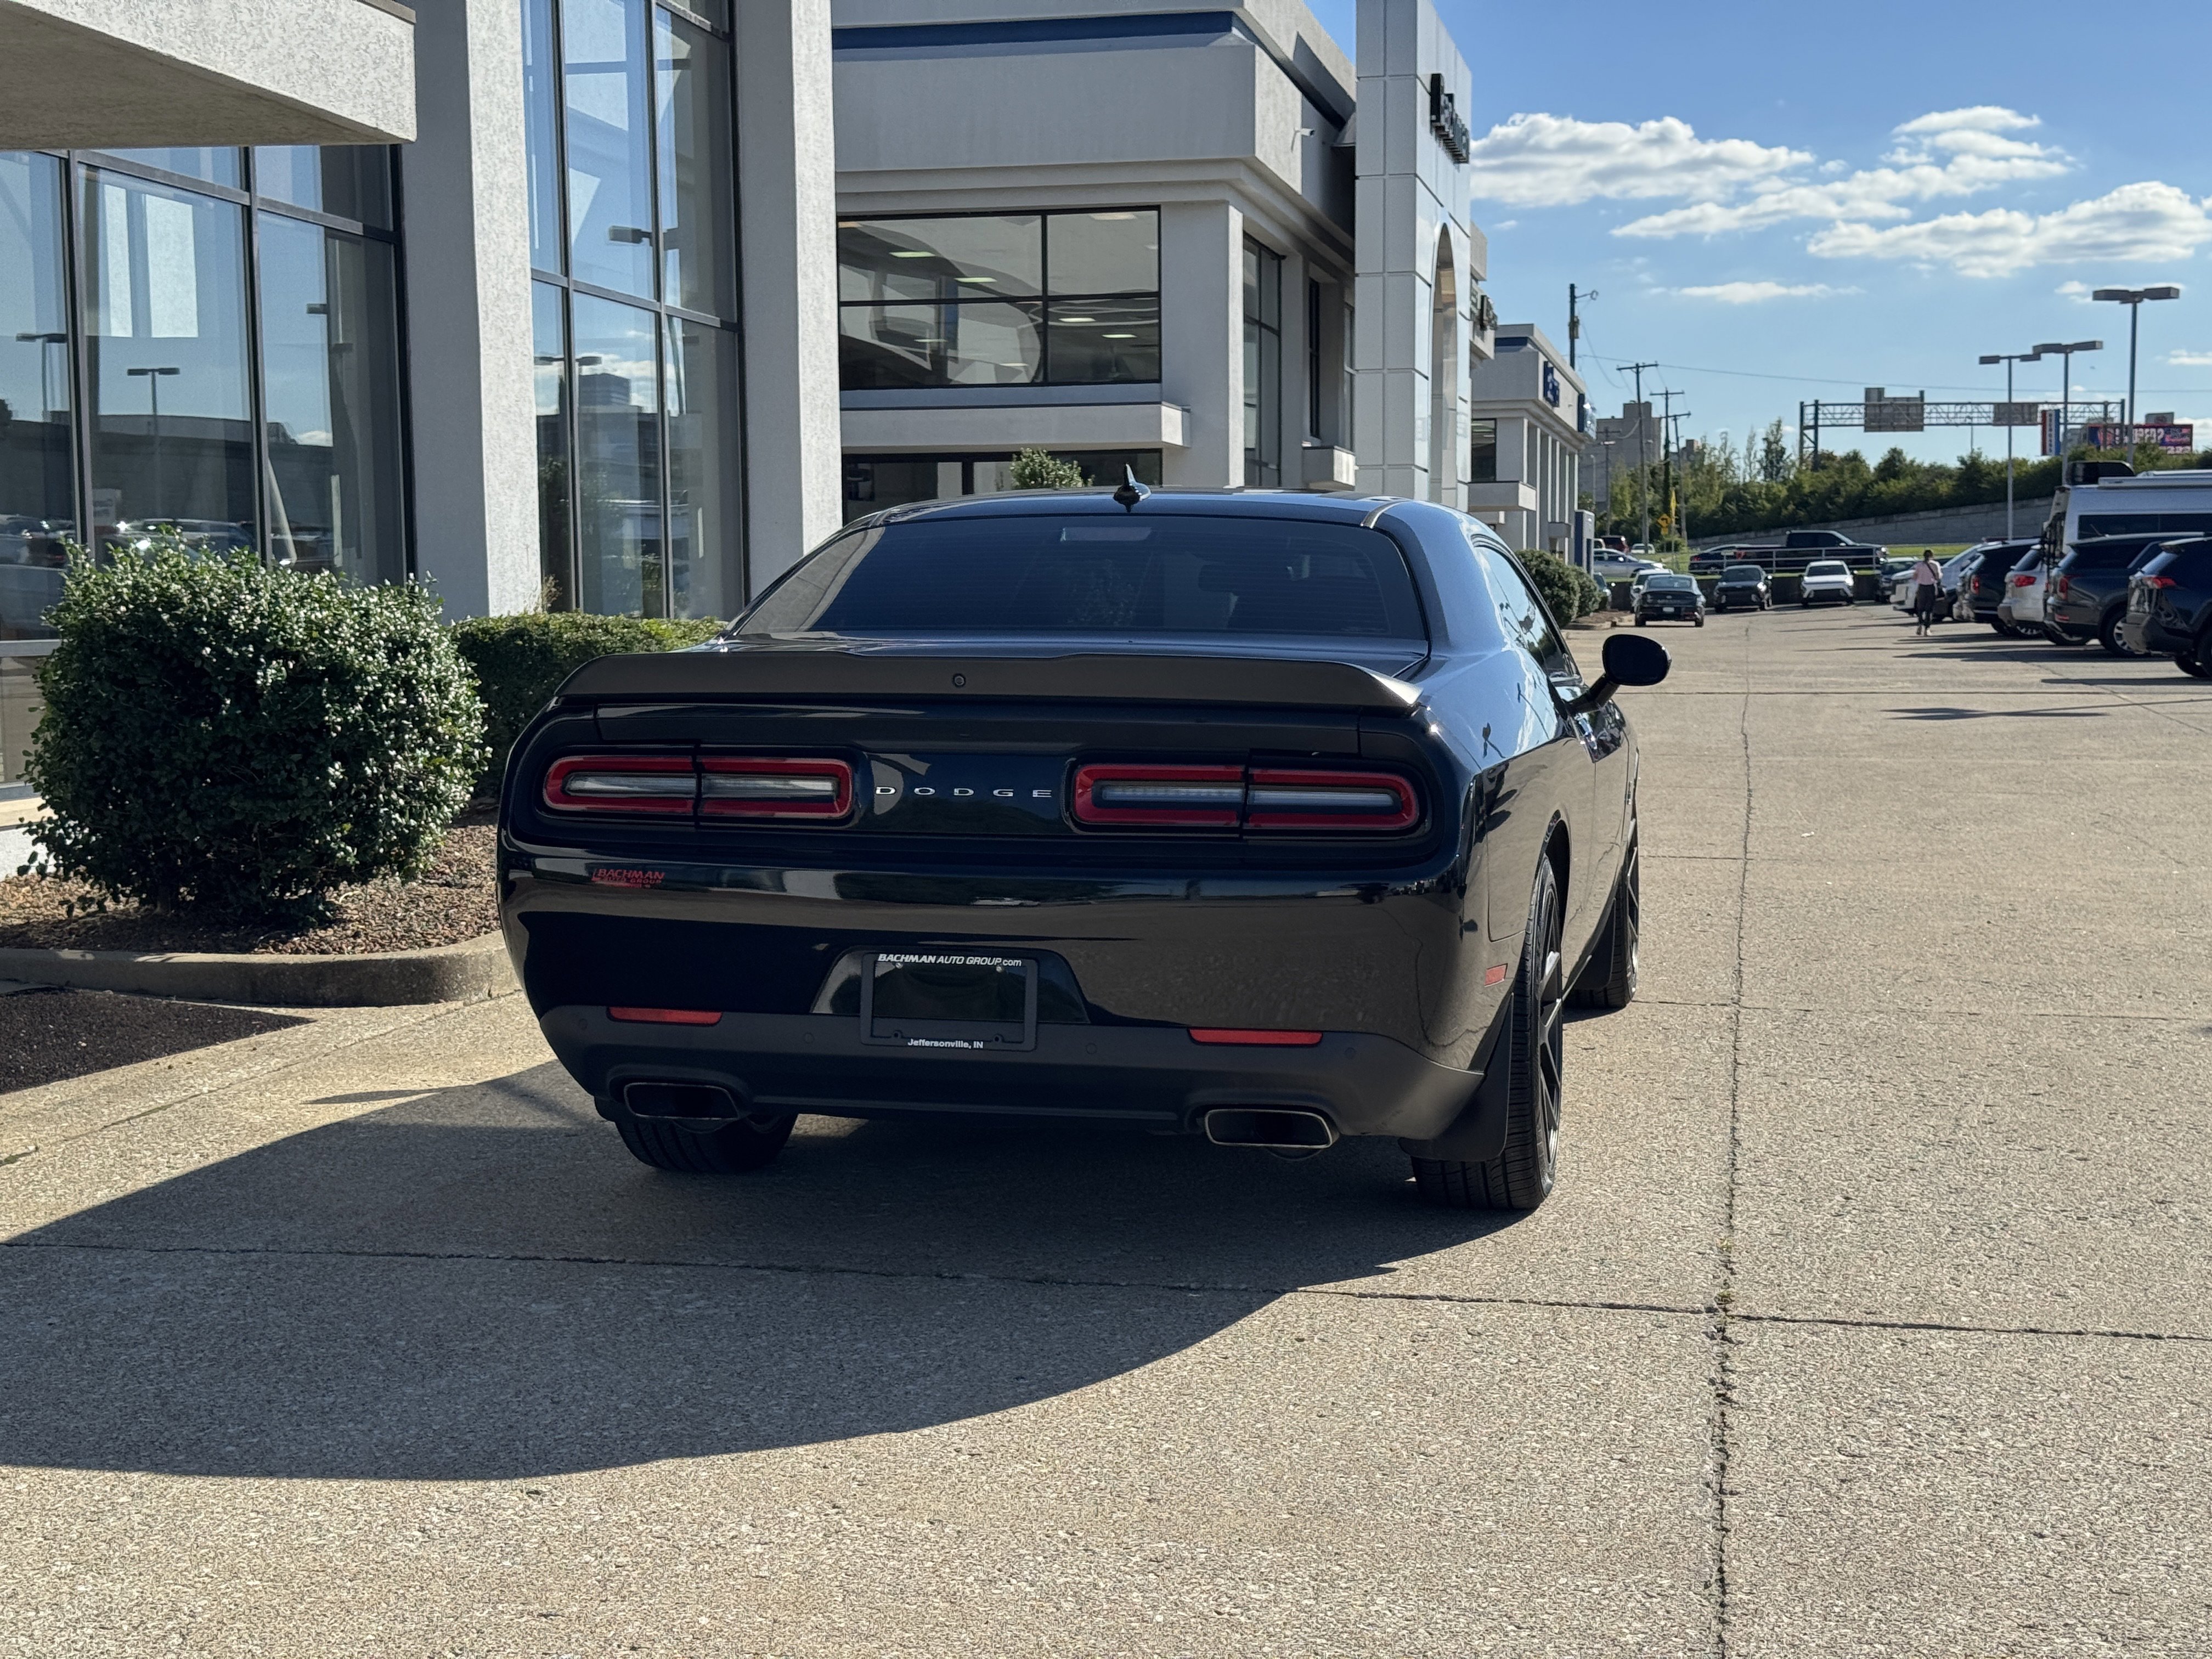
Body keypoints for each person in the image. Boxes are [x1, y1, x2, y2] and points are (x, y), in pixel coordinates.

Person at [1908, 549, 1943, 636]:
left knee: (1920, 608)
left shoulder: (1919, 565)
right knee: (1929, 609)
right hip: (1931, 587)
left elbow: (1915, 577)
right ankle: (1927, 629)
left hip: (1921, 587)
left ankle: (1920, 624)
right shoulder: (1935, 564)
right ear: (1932, 555)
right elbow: (1938, 576)